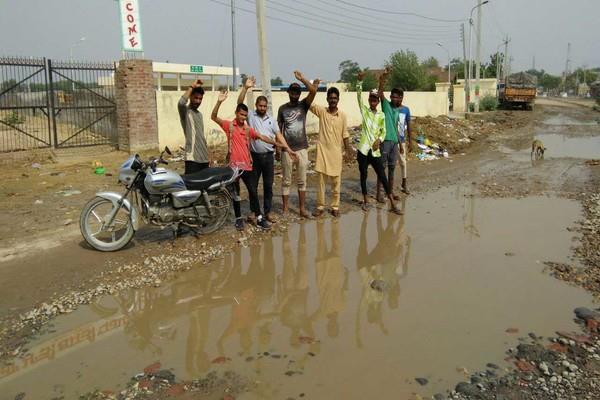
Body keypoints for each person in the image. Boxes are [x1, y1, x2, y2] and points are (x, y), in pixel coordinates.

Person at [211, 91, 281, 231]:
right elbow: (213, 117)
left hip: (247, 167)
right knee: (236, 194)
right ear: (236, 113)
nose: (243, 117)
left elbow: (262, 137)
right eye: (241, 114)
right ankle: (238, 219)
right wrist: (219, 102)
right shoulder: (229, 126)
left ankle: (259, 218)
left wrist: (278, 144)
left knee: (253, 192)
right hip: (234, 168)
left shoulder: (248, 129)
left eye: (244, 115)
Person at [237, 76, 296, 223]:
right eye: (260, 106)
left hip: (268, 157)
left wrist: (288, 149)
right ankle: (253, 211)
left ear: (267, 106)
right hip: (254, 157)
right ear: (256, 105)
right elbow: (239, 104)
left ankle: (268, 212)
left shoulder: (271, 119)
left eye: (265, 106)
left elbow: (278, 136)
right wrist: (245, 88)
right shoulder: (250, 116)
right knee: (253, 186)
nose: (262, 108)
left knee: (268, 186)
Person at [355, 72, 403, 215]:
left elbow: (383, 131)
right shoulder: (364, 111)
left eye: (375, 99)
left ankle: (392, 204)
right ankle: (365, 201)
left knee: (382, 176)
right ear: (369, 100)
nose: (373, 101)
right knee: (363, 175)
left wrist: (380, 140)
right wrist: (359, 82)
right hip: (363, 150)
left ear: (377, 101)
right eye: (372, 99)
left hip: (375, 151)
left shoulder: (381, 115)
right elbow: (358, 96)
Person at [277, 71, 320, 218]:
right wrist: (278, 149)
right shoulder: (282, 109)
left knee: (302, 181)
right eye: (293, 91)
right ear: (288, 92)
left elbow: (313, 91)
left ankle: (301, 209)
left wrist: (302, 79)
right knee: (286, 181)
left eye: (297, 91)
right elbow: (279, 130)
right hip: (287, 150)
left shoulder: (304, 106)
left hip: (302, 148)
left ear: (300, 93)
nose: (295, 94)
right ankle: (286, 209)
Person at [309, 86, 354, 218]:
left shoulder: (343, 116)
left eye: (335, 98)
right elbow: (308, 103)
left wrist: (348, 149)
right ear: (327, 99)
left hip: (336, 153)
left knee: (336, 183)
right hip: (322, 153)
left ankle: (335, 207)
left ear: (338, 100)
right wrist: (311, 87)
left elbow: (345, 134)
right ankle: (320, 206)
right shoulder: (322, 112)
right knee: (321, 183)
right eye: (331, 98)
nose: (333, 100)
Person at [377, 68, 413, 199]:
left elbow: (402, 127)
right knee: (383, 167)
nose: (394, 98)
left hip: (396, 141)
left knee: (394, 167)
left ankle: (391, 191)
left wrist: (404, 143)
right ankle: (380, 193)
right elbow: (380, 93)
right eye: (392, 96)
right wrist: (383, 78)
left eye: (396, 97)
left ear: (401, 98)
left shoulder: (401, 110)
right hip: (386, 140)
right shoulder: (386, 106)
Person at [178, 79, 210, 174]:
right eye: (196, 98)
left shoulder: (199, 115)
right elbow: (181, 102)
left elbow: (201, 137)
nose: (198, 101)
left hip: (204, 159)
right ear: (191, 96)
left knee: (204, 188)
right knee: (191, 187)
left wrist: (208, 156)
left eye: (200, 99)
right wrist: (192, 87)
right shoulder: (186, 112)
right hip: (192, 159)